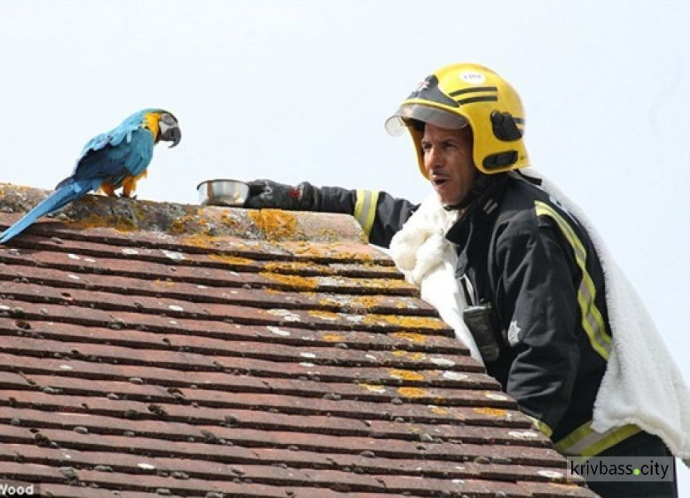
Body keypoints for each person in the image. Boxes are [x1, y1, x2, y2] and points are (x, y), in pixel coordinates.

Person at [242, 62, 686, 497]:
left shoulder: (526, 230)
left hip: (623, 465)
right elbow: (390, 217)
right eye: (426, 145)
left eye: (448, 146)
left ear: (487, 146)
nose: (431, 160)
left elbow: (544, 356)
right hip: (571, 456)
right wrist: (297, 198)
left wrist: (507, 459)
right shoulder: (466, 219)